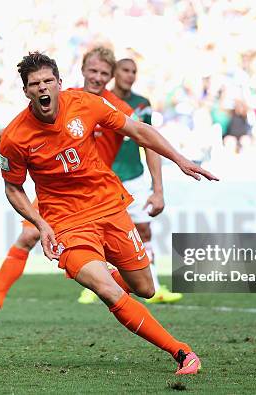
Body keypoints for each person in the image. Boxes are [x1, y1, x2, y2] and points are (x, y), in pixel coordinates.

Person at [0, 51, 215, 374]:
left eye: (47, 81)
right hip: (66, 225)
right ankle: (182, 353)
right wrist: (41, 223)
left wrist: (179, 159)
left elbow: (138, 131)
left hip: (109, 208)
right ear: (26, 91)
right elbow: (13, 188)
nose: (42, 88)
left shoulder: (85, 104)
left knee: (145, 288)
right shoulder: (15, 138)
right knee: (109, 291)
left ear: (59, 83)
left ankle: (107, 280)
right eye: (34, 84)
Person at [0, 47, 158, 319]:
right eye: (93, 71)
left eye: (104, 73)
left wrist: (158, 187)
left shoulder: (114, 106)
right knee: (28, 235)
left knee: (140, 253)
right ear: (82, 70)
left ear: (111, 77)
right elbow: (30, 124)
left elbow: (146, 138)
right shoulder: (63, 96)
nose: (97, 77)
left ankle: (107, 284)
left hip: (96, 193)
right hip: (57, 190)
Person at [78, 58, 182, 305]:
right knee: (97, 234)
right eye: (125, 70)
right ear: (114, 73)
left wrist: (158, 188)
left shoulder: (140, 104)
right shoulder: (93, 99)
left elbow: (148, 141)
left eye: (134, 71)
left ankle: (154, 285)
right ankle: (96, 284)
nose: (130, 75)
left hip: (133, 176)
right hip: (102, 180)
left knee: (143, 230)